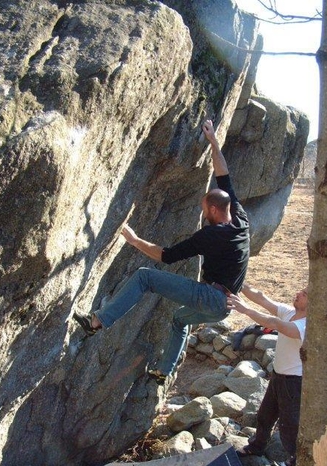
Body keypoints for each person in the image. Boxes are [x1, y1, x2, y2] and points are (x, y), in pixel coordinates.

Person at [73, 119, 250, 383]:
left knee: (145, 277)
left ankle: (97, 322)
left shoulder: (212, 234)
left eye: (203, 209)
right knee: (179, 319)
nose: (203, 213)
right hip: (224, 307)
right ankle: (164, 372)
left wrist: (134, 240)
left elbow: (166, 256)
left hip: (212, 298)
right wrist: (213, 141)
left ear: (213, 210)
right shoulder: (241, 219)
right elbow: (223, 174)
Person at [227, 284, 308, 466]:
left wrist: (245, 309)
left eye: (304, 294)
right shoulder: (290, 312)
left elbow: (273, 323)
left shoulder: (307, 325)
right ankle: (257, 446)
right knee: (265, 415)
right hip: (278, 376)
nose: (297, 293)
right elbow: (262, 298)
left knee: (289, 428)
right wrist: (237, 282)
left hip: (294, 383)